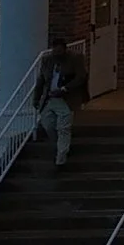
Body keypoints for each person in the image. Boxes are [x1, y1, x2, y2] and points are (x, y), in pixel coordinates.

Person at [36, 38, 83, 166]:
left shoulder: (75, 59)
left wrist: (64, 88)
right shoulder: (47, 60)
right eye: (55, 52)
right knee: (48, 124)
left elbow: (81, 77)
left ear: (65, 50)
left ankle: (61, 156)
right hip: (50, 98)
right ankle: (60, 145)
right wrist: (36, 98)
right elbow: (41, 80)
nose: (57, 55)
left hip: (65, 98)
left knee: (63, 127)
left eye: (60, 52)